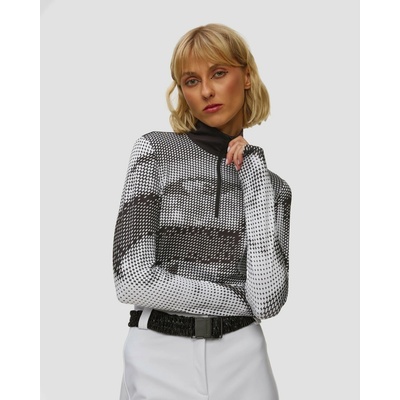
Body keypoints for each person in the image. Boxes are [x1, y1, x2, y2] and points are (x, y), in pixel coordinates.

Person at [113, 23, 292, 400]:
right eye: (191, 81)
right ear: (183, 92)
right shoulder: (155, 152)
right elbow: (133, 280)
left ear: (246, 77)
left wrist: (254, 174)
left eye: (219, 73)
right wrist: (237, 301)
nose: (207, 90)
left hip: (244, 357)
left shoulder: (273, 187)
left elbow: (267, 300)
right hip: (159, 352)